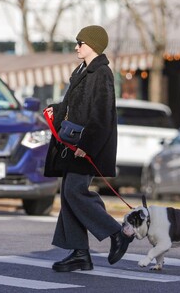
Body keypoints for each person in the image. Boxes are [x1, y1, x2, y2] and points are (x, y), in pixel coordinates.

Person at [44, 25, 133, 272]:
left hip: (85, 146)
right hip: (73, 144)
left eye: (80, 42)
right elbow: (74, 106)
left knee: (74, 191)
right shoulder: (82, 70)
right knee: (68, 193)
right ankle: (80, 253)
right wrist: (55, 110)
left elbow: (102, 117)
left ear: (92, 45)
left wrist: (87, 147)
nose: (76, 46)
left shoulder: (101, 73)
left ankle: (118, 233)